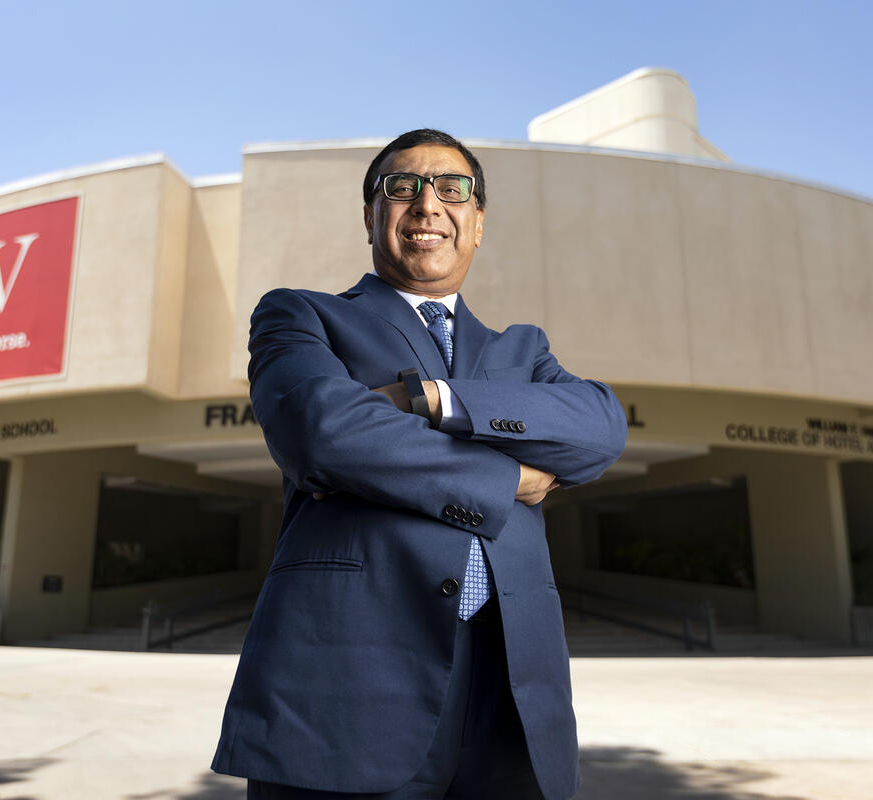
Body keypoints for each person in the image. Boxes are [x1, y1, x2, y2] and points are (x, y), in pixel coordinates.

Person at [212, 129, 626, 799]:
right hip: (349, 690)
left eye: (451, 189)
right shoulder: (301, 316)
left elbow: (602, 428)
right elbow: (324, 432)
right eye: (401, 189)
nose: (427, 205)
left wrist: (431, 400)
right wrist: (506, 476)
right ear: (370, 216)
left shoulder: (524, 351)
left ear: (478, 222)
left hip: (511, 695)